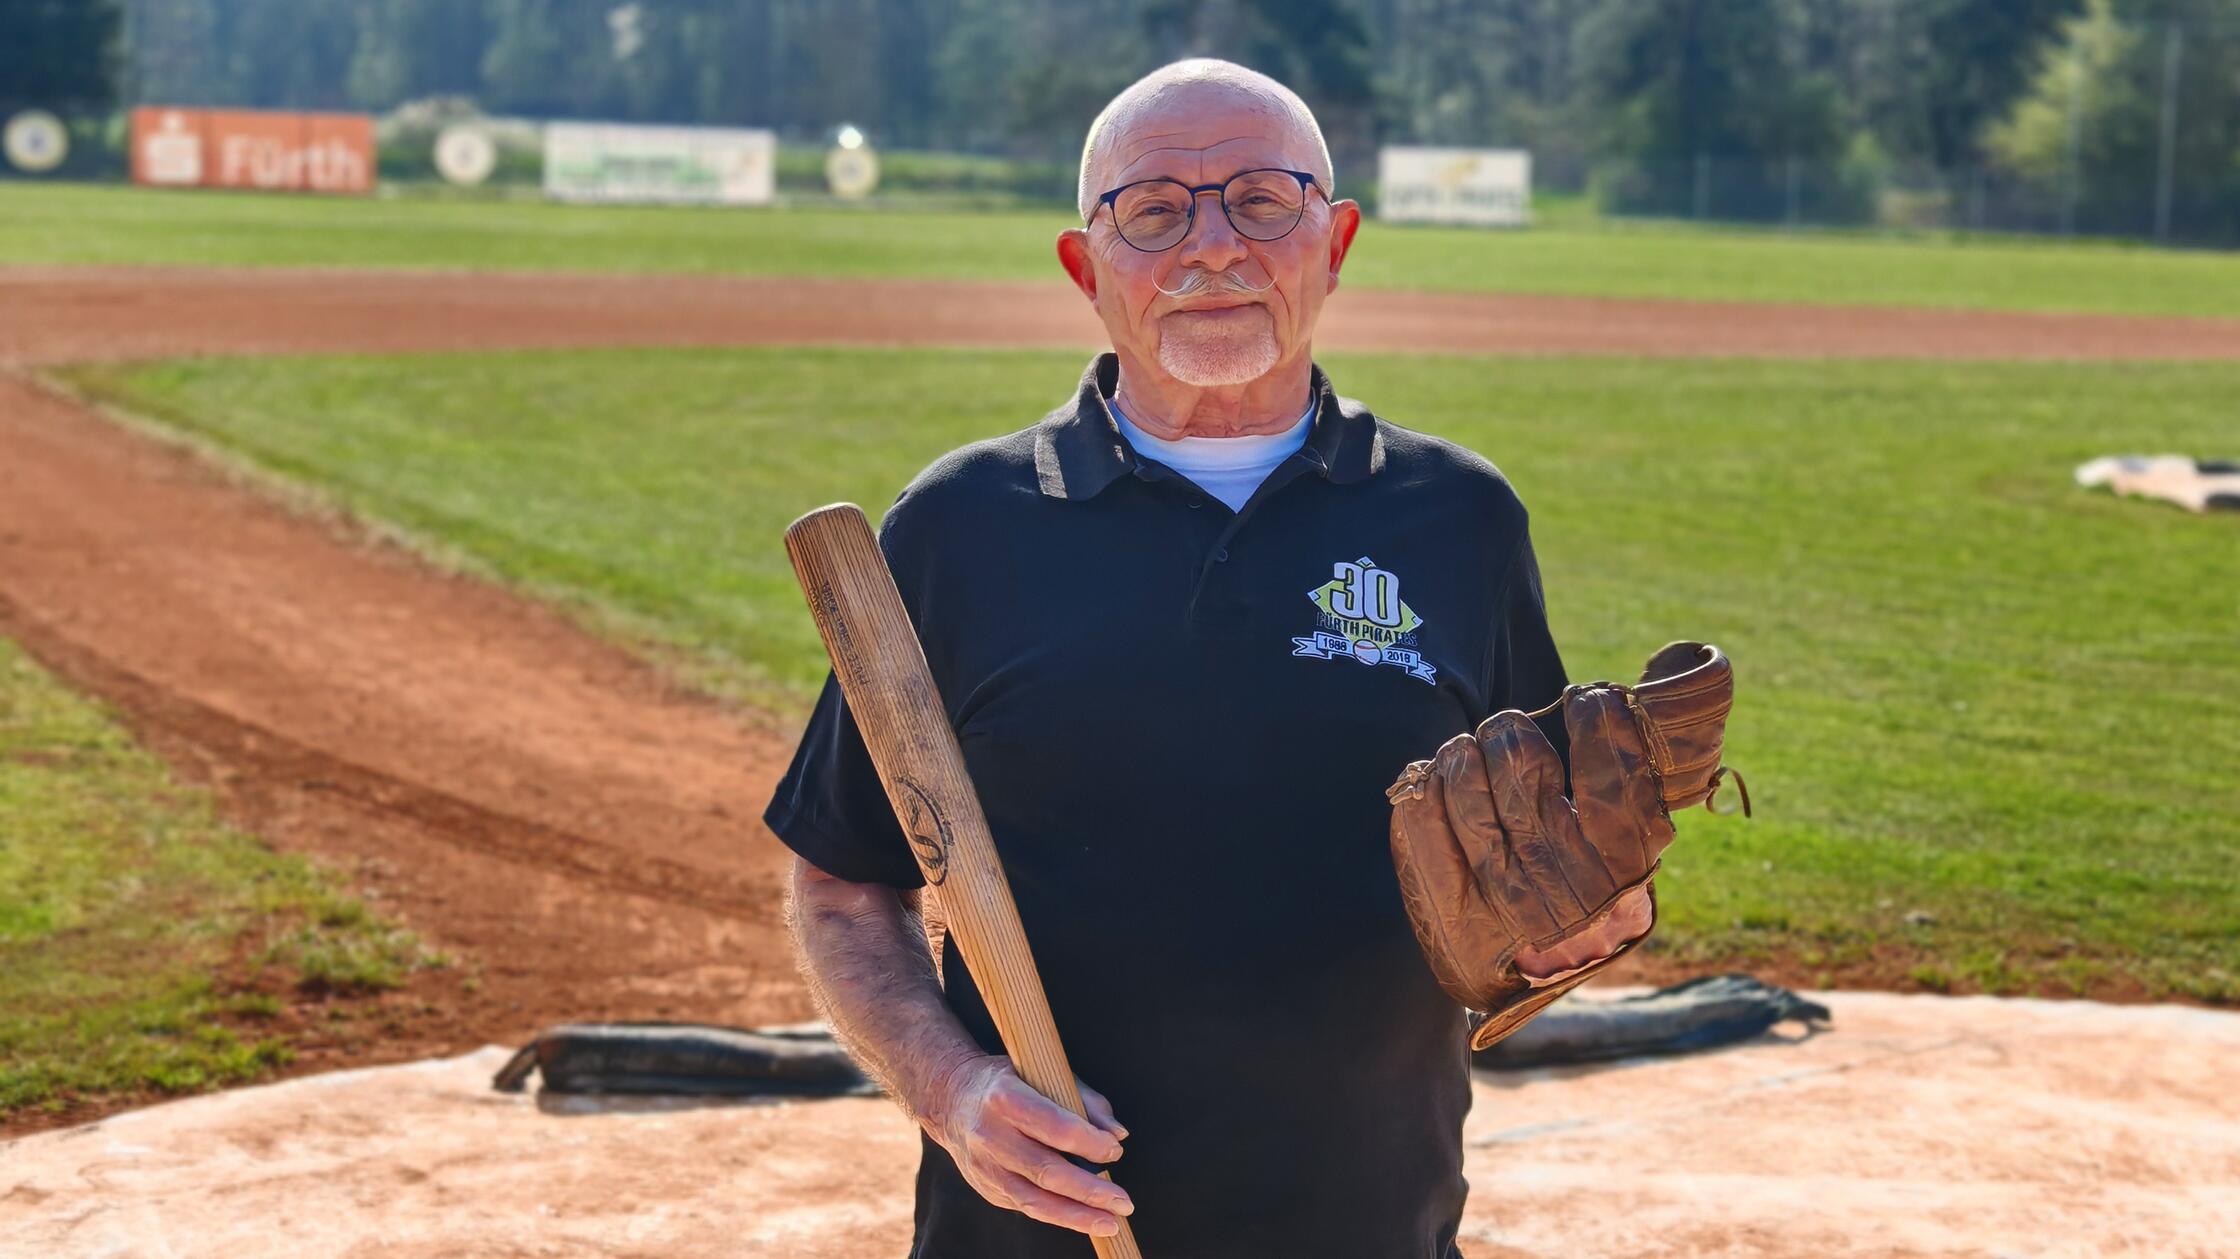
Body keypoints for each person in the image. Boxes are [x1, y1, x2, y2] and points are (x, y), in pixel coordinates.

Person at [763, 57, 1651, 1259]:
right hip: (1035, 1240)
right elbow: (843, 883)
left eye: (1260, 201)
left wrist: (1581, 925)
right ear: (1086, 267)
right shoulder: (957, 528)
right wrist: (950, 1087)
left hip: (1367, 1227)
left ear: (1335, 243)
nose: (1213, 247)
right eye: (1153, 212)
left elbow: (1539, 866)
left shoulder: (1460, 519)